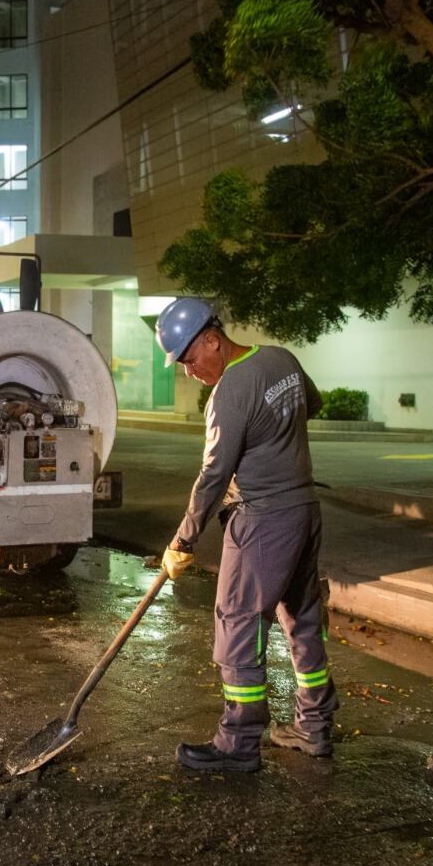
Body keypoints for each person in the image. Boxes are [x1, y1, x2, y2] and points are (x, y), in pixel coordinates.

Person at [155, 297, 338, 773]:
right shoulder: (282, 359)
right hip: (304, 510)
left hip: (261, 520)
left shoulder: (229, 393)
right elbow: (309, 404)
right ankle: (314, 727)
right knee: (302, 620)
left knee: (238, 623)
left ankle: (238, 744)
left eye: (191, 360)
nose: (190, 373)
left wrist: (183, 540)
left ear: (213, 339)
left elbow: (214, 475)